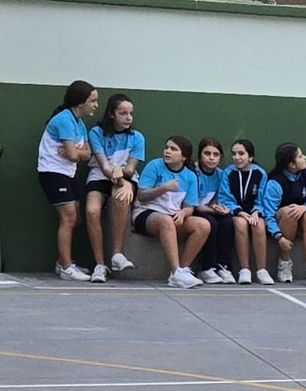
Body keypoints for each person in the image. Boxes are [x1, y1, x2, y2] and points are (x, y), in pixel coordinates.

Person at [37, 80, 98, 282]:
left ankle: (62, 261)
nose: (95, 105)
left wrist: (77, 152)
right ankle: (66, 267)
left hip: (68, 174)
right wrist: (77, 153)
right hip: (53, 173)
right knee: (68, 219)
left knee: (76, 219)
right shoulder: (64, 120)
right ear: (80, 103)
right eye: (93, 101)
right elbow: (73, 155)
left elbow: (86, 154)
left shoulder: (80, 123)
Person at [132, 136, 206, 290]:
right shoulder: (154, 166)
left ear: (183, 156)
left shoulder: (190, 176)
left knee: (203, 225)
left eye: (173, 149)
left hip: (172, 218)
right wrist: (163, 188)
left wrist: (183, 213)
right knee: (165, 220)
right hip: (146, 214)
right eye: (167, 147)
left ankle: (181, 272)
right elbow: (142, 196)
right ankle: (176, 270)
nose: (167, 151)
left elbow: (189, 207)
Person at [84, 93, 142, 282]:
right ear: (111, 114)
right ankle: (100, 265)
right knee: (92, 210)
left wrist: (121, 175)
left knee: (121, 198)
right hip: (101, 175)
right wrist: (115, 171)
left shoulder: (137, 137)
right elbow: (104, 166)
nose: (128, 118)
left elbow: (131, 169)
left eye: (131, 113)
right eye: (123, 113)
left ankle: (117, 254)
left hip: (125, 177)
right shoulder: (95, 132)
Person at [260, 142, 306, 288]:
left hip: (305, 220)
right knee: (289, 211)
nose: (305, 158)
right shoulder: (275, 183)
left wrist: (305, 207)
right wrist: (279, 237)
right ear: (292, 165)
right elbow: (269, 215)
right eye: (301, 156)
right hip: (283, 223)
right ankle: (284, 261)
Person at [221, 138, 272, 285]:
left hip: (254, 212)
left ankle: (262, 270)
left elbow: (262, 197)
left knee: (259, 225)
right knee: (241, 224)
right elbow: (225, 197)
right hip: (236, 212)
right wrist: (239, 212)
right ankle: (244, 270)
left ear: (250, 156)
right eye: (234, 154)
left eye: (241, 153)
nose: (237, 157)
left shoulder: (260, 173)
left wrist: (257, 211)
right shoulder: (228, 173)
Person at [190, 138, 236, 284]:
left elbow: (217, 197)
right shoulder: (193, 173)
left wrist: (217, 207)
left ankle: (224, 266)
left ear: (221, 158)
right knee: (210, 223)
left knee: (228, 222)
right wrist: (212, 210)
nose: (211, 158)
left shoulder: (221, 175)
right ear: (200, 155)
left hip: (210, 209)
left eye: (215, 154)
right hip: (193, 210)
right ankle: (206, 268)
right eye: (207, 153)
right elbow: (195, 204)